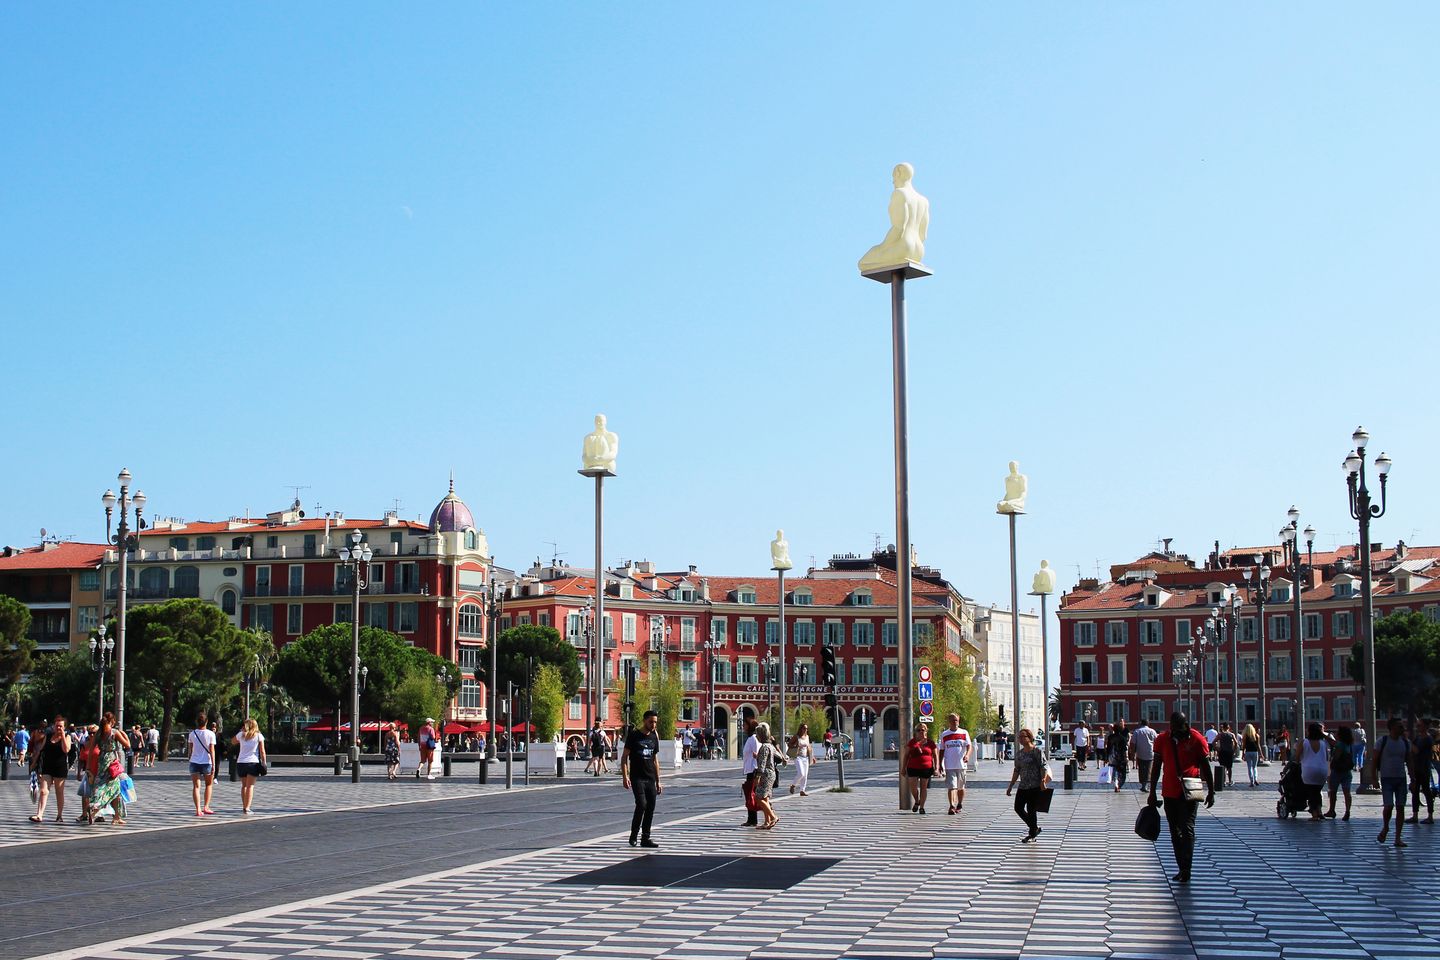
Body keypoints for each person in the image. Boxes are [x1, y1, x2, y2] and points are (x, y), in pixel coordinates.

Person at [1148, 712, 1215, 884]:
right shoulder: (1162, 739)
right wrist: (1152, 791)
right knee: (1174, 831)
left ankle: (1186, 868)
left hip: (1190, 791)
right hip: (1170, 791)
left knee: (1187, 828)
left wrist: (1211, 791)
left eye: (1182, 727)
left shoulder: (1196, 739)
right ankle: (1181, 867)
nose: (1179, 730)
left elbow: (1206, 765)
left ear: (1186, 724)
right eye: (1176, 727)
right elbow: (1156, 767)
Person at [620, 710, 662, 848]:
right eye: (651, 721)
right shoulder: (634, 736)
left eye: (655, 722)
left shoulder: (654, 737)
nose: (653, 724)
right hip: (637, 777)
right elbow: (624, 757)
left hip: (650, 778)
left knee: (650, 807)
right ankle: (633, 835)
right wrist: (625, 777)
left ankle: (646, 838)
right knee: (641, 804)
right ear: (644, 721)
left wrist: (658, 780)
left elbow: (655, 760)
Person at [1005, 728, 1051, 842]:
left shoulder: (1037, 751)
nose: (1020, 739)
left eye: (1023, 737)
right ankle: (1034, 828)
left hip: (1035, 786)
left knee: (1031, 809)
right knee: (1018, 808)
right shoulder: (1019, 754)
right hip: (1023, 785)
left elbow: (1043, 766)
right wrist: (1011, 785)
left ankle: (1032, 834)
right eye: (1019, 737)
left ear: (1029, 737)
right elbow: (1017, 770)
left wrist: (1043, 781)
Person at [87, 713, 130, 827]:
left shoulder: (98, 733)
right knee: (111, 790)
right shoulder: (114, 733)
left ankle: (116, 817)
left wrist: (88, 768)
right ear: (112, 721)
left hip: (101, 762)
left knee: (108, 789)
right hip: (112, 764)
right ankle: (94, 808)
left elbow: (91, 750)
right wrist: (124, 734)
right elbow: (127, 745)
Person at [1374, 718, 1411, 848]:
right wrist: (1374, 778)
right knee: (1388, 806)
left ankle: (1397, 838)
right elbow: (1375, 760)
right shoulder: (1382, 741)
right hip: (1387, 778)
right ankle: (1385, 828)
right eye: (1399, 726)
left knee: (1400, 807)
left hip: (1401, 778)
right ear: (1392, 728)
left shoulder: (1406, 742)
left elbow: (1409, 760)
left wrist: (1413, 778)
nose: (1402, 728)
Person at [30, 716, 72, 824]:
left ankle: (59, 815)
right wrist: (34, 762)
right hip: (47, 767)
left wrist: (62, 736)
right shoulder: (48, 736)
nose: (58, 728)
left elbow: (66, 749)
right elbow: (40, 750)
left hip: (60, 768)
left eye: (61, 726)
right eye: (56, 726)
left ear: (64, 727)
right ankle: (39, 815)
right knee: (43, 791)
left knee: (59, 792)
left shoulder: (67, 737)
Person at [753, 722, 786, 829]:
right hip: (772, 773)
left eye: (757, 735)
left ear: (761, 735)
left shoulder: (764, 747)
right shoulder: (770, 746)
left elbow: (762, 764)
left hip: (765, 774)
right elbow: (779, 757)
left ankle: (773, 817)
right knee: (765, 797)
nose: (756, 737)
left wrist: (757, 777)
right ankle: (767, 822)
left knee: (758, 798)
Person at [1293, 722, 1329, 821]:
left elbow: (1297, 756)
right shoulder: (1323, 743)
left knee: (1311, 793)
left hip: (1309, 770)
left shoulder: (1305, 742)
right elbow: (1326, 756)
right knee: (1317, 791)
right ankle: (1320, 811)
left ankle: (1314, 814)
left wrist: (1298, 762)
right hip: (1322, 770)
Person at [937, 713, 972, 814]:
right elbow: (942, 750)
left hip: (961, 765)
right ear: (949, 722)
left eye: (956, 720)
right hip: (950, 765)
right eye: (952, 720)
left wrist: (967, 755)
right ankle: (952, 806)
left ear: (959, 721)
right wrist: (940, 764)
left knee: (960, 787)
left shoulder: (964, 733)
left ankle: (959, 803)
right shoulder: (945, 734)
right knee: (952, 786)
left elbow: (969, 746)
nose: (954, 722)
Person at [232, 718, 267, 815]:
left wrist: (241, 732)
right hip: (253, 763)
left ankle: (244, 806)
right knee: (250, 786)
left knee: (244, 786)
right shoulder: (259, 736)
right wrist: (264, 762)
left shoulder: (241, 735)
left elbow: (233, 741)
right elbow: (262, 751)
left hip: (241, 762)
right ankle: (247, 808)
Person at [902, 723, 937, 814]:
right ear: (915, 732)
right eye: (918, 730)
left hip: (926, 767)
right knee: (913, 787)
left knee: (923, 787)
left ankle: (922, 807)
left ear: (926, 731)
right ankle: (917, 801)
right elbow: (906, 755)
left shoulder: (930, 743)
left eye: (923, 730)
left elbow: (935, 755)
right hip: (912, 767)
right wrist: (903, 768)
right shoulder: (912, 742)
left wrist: (936, 768)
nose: (921, 732)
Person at [188, 711, 217, 817]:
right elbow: (212, 750)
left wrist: (189, 759)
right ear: (207, 722)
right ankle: (206, 806)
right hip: (207, 762)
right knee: (209, 785)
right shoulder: (210, 734)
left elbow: (190, 750)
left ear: (197, 722)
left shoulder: (192, 734)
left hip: (194, 761)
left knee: (196, 786)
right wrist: (214, 764)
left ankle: (198, 809)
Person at [1406, 718, 1435, 825]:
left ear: (1425, 727)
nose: (1418, 727)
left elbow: (1416, 750)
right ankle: (1415, 815)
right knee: (1415, 791)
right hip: (1416, 768)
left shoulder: (1428, 739)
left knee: (1427, 792)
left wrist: (1408, 740)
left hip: (1424, 768)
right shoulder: (1418, 738)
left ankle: (1430, 816)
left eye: (1420, 725)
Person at [1325, 724, 1355, 820]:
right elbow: (1332, 742)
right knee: (1347, 792)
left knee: (1333, 791)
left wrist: (1332, 763)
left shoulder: (1340, 745)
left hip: (1337, 771)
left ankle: (1332, 810)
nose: (1336, 734)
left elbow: (1336, 757)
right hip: (1347, 771)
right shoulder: (1348, 744)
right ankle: (1347, 811)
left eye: (1338, 732)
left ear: (1341, 734)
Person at [76, 725, 102, 824]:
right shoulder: (85, 745)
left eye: (93, 733)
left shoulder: (101, 745)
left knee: (98, 794)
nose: (91, 735)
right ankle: (84, 814)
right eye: (90, 733)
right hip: (89, 772)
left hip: (100, 772)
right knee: (85, 793)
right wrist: (79, 773)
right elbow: (81, 760)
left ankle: (98, 814)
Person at [740, 717, 760, 827]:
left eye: (745, 725)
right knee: (750, 794)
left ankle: (753, 819)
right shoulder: (750, 738)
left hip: (753, 770)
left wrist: (757, 770)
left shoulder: (753, 738)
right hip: (750, 769)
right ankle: (752, 818)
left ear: (750, 726)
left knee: (751, 794)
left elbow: (757, 753)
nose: (743, 726)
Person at [1129, 718, 1157, 790]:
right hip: (1150, 753)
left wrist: (1133, 753)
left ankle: (1143, 784)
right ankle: (1146, 784)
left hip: (1140, 753)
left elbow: (1132, 743)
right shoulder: (1152, 731)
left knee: (1141, 769)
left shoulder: (1137, 731)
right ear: (1148, 724)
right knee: (1149, 769)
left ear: (1141, 723)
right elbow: (1157, 741)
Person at [788, 722, 814, 797]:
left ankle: (802, 790)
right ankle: (793, 785)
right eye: (804, 728)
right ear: (801, 729)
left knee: (805, 775)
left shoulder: (807, 737)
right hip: (798, 757)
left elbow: (809, 747)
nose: (805, 730)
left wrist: (812, 756)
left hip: (805, 757)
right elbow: (789, 744)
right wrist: (795, 745)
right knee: (801, 773)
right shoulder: (796, 737)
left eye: (806, 728)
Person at [1106, 719, 1129, 792]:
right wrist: (1126, 757)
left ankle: (1115, 783)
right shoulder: (1123, 738)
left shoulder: (1110, 737)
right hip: (1121, 757)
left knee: (1114, 770)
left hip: (1112, 756)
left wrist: (1106, 757)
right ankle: (1119, 785)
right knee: (1122, 772)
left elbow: (1108, 747)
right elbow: (1125, 749)